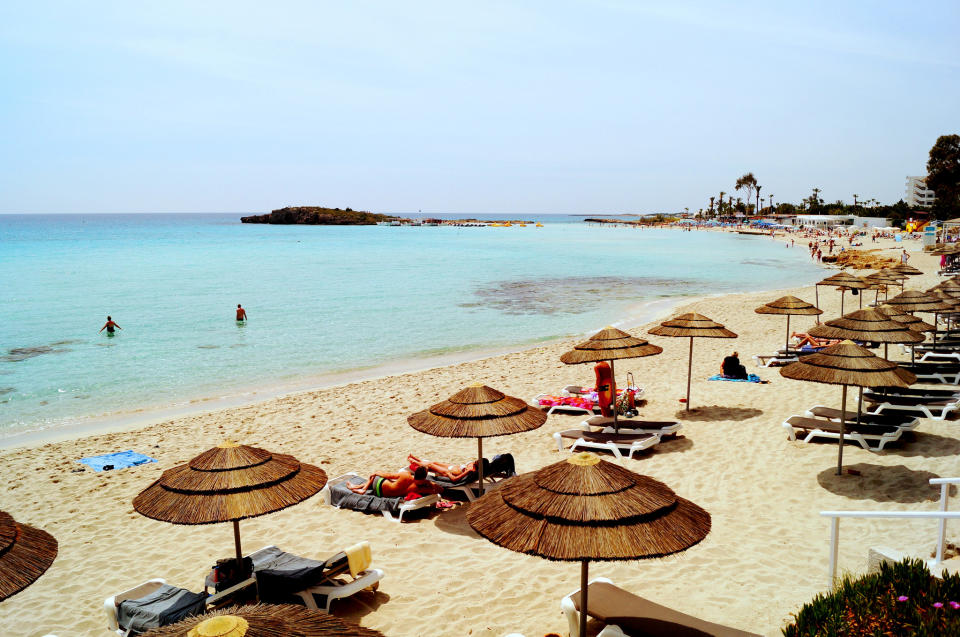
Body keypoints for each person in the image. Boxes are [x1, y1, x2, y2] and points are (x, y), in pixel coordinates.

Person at [346, 465, 443, 497]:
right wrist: (430, 483)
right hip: (381, 494)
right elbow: (440, 490)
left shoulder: (406, 475)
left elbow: (389, 475)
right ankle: (357, 487)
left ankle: (363, 489)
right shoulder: (419, 489)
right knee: (385, 481)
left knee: (377, 476)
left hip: (379, 486)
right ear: (425, 477)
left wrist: (376, 472)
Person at [407, 454, 483, 482]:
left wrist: (449, 474)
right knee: (434, 463)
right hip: (453, 467)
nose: (476, 461)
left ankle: (415, 462)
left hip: (448, 472)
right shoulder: (474, 466)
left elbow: (454, 479)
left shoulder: (471, 470)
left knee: (431, 466)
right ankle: (417, 460)